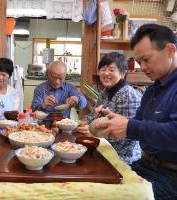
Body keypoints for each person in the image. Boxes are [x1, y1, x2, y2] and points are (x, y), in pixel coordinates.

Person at [97, 24, 177, 199]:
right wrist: (116, 122)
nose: (143, 67)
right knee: (97, 186)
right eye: (139, 62)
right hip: (145, 165)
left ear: (170, 50)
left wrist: (130, 127)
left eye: (147, 59)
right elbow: (137, 125)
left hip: (170, 176)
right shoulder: (152, 89)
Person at [76, 52, 142, 165]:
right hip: (104, 149)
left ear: (123, 73)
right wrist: (81, 122)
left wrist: (94, 133)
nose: (106, 73)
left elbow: (128, 134)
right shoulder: (105, 92)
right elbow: (94, 114)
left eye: (112, 70)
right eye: (103, 69)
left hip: (123, 157)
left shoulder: (129, 95)